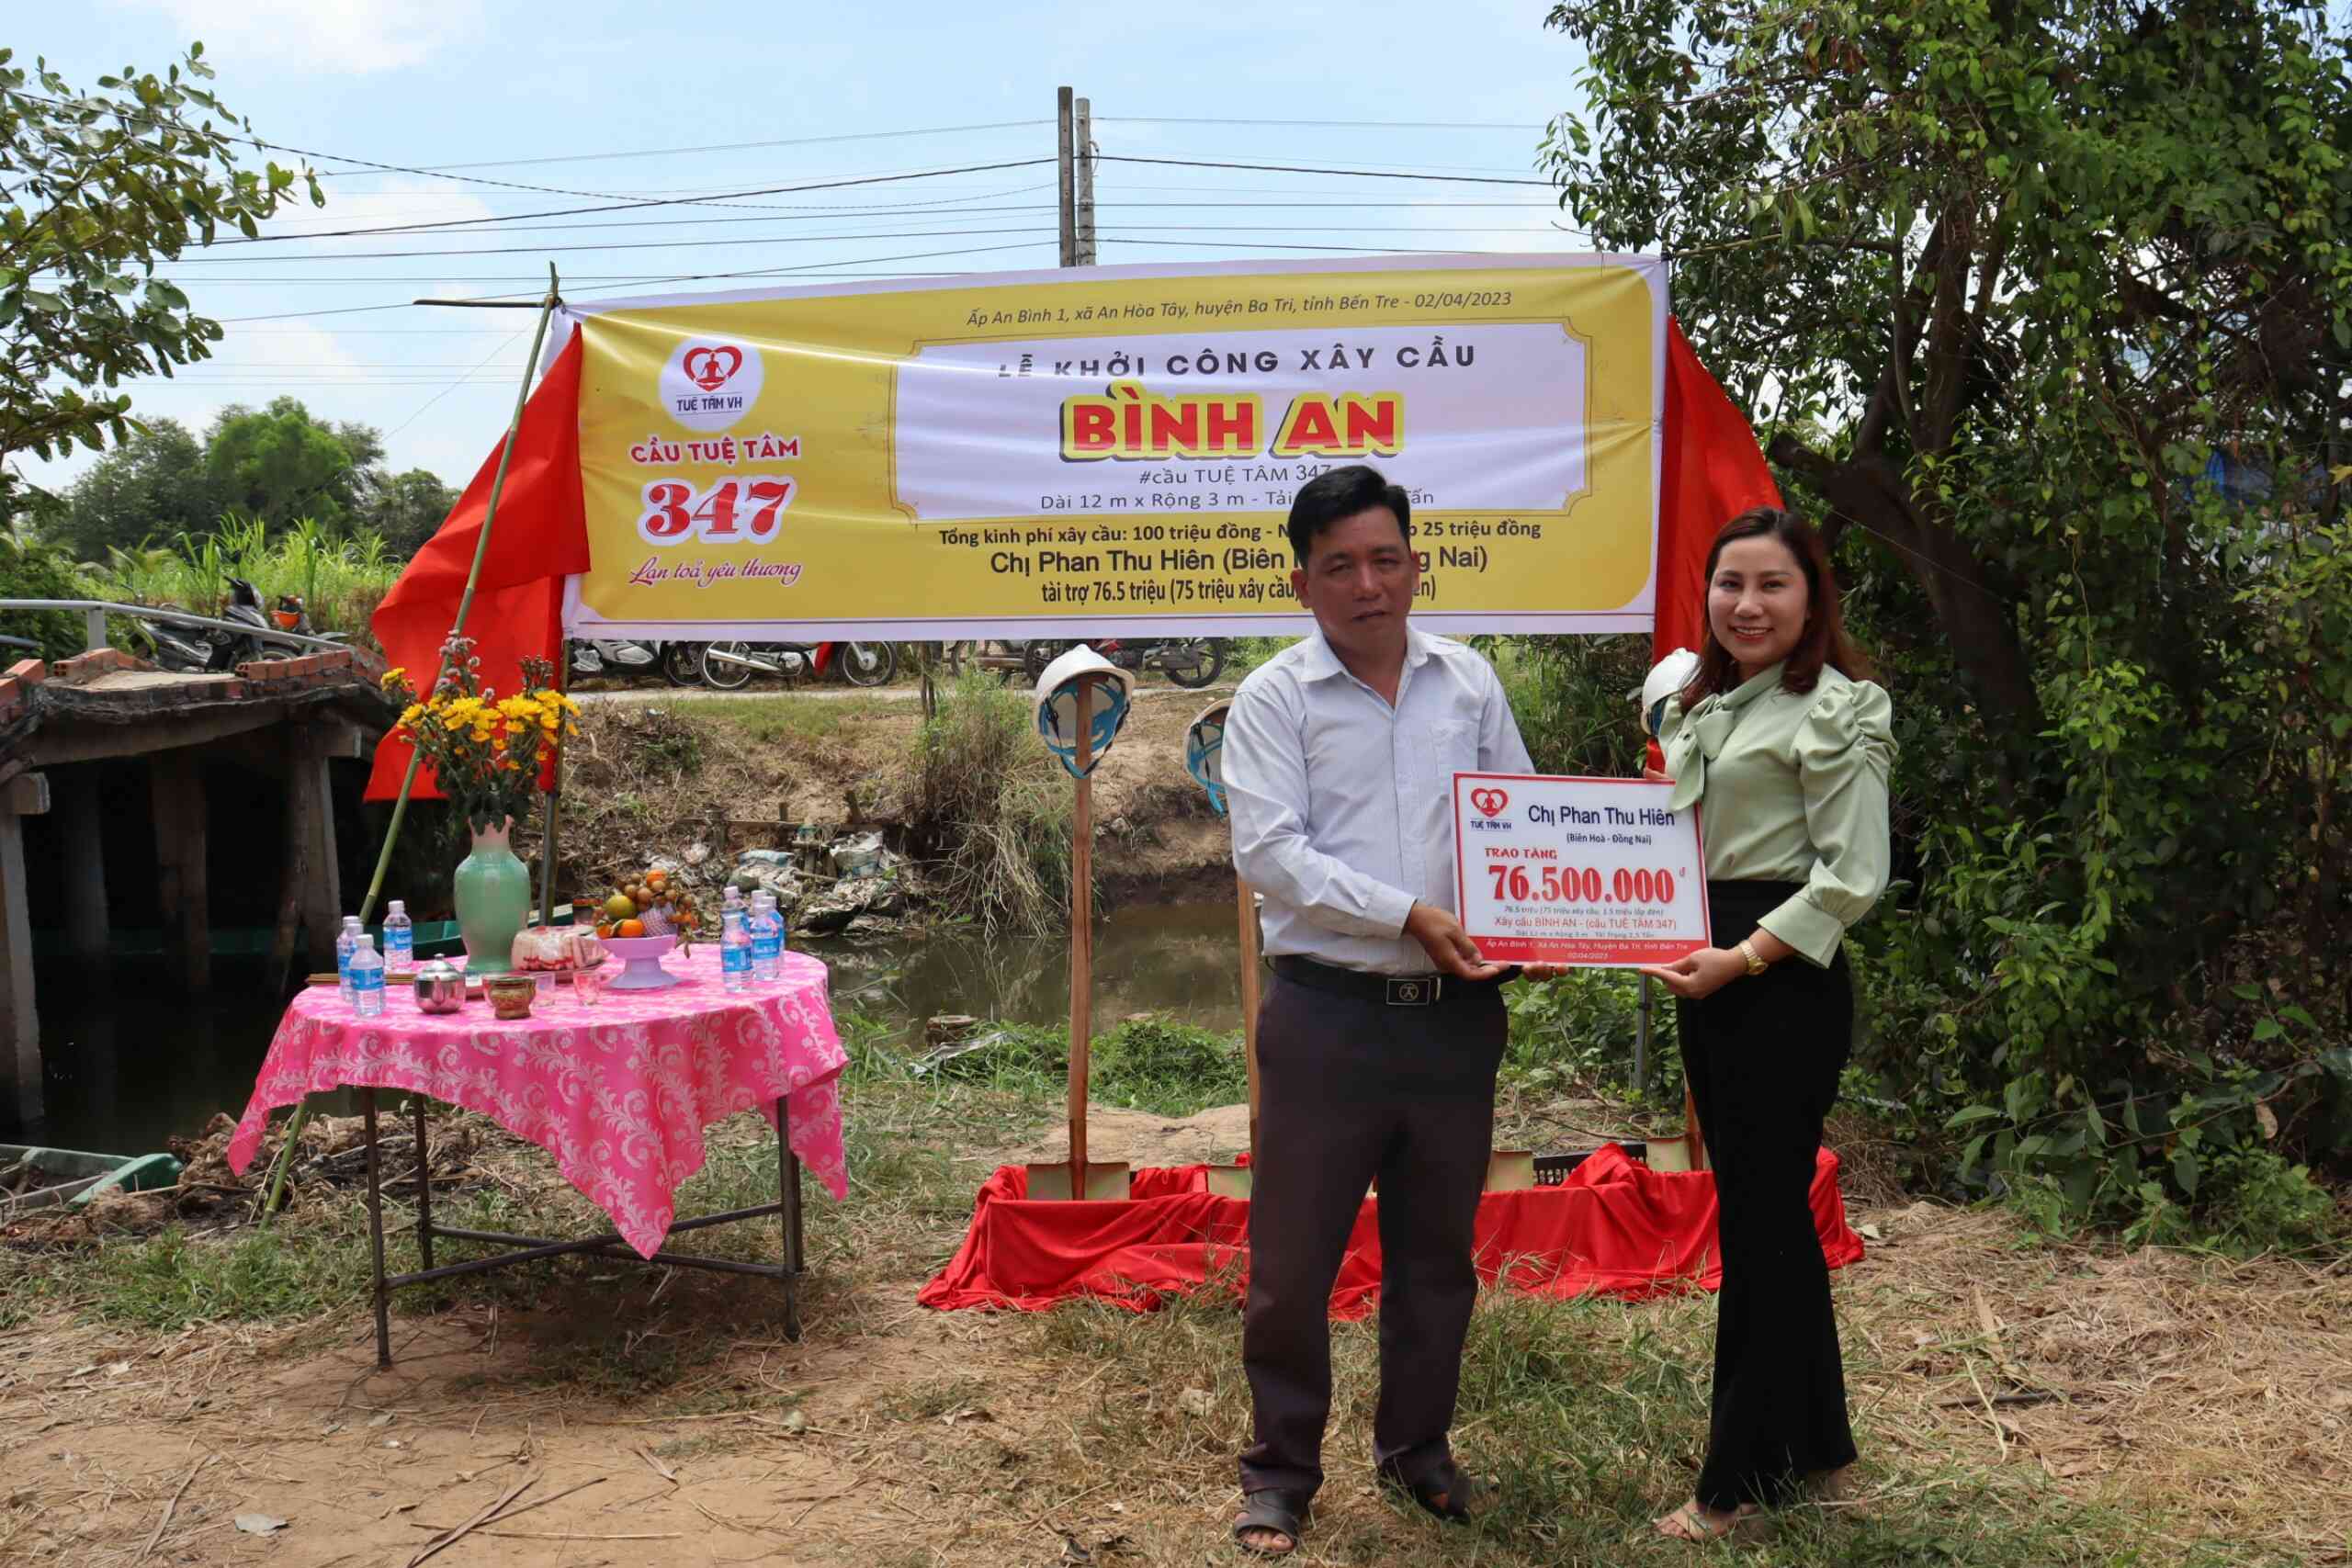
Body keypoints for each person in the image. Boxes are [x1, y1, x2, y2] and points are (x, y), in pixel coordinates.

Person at [1219, 463, 1558, 1557]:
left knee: (1435, 1257)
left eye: (1383, 560)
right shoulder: (1274, 699)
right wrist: (1407, 913)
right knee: (1291, 1266)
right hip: (1327, 1017)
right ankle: (1279, 1472)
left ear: (1416, 565)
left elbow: (1518, 823)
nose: (1366, 585)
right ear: (1301, 583)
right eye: (1338, 567)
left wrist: (1542, 922)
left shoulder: (1468, 684)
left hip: (1454, 1019)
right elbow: (1270, 854)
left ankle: (1417, 1450)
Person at [1637, 506, 1894, 1543]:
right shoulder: (1704, 700)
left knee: (1760, 1229)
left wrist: (1742, 958)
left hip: (1778, 978)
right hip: (1710, 967)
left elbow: (1852, 876)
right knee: (1766, 1215)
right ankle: (1819, 1453)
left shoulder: (1836, 709)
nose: (1747, 604)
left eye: (1772, 584)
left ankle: (1735, 1485)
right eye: (1729, 583)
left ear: (1811, 597)